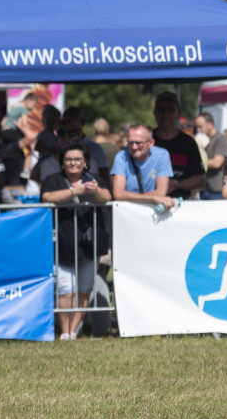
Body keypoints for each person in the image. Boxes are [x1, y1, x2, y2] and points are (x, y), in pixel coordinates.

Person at [41, 140, 111, 340]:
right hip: (62, 245)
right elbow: (47, 197)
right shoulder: (53, 179)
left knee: (84, 289)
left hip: (89, 245)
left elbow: (106, 197)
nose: (73, 163)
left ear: (85, 162)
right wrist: (74, 191)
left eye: (77, 159)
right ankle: (65, 332)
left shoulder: (94, 180)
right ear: (62, 162)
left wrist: (95, 191)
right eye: (69, 159)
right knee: (65, 289)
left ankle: (73, 329)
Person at [149, 91, 205, 199]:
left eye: (171, 109)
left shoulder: (188, 143)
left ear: (178, 113)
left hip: (181, 204)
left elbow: (200, 179)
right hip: (149, 201)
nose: (165, 113)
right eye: (161, 109)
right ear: (155, 112)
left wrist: (178, 184)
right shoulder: (145, 140)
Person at [110, 124, 176, 210]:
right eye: (130, 143)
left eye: (138, 143)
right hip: (128, 212)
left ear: (151, 143)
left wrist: (129, 196)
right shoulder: (121, 157)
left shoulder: (162, 155)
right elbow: (118, 194)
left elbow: (161, 192)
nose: (134, 147)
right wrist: (152, 198)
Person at [195, 113, 227, 200]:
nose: (198, 130)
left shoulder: (221, 139)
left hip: (216, 190)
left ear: (210, 124)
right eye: (197, 127)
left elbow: (217, 163)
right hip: (203, 188)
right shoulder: (204, 140)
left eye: (200, 126)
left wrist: (195, 162)